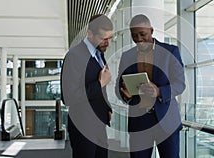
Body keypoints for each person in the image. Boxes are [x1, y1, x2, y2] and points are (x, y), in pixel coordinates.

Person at [116, 14, 185, 158]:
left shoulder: (171, 52)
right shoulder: (127, 56)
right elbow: (118, 87)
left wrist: (159, 91)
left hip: (167, 122)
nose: (139, 39)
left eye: (143, 34)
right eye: (134, 36)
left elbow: (180, 84)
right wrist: (125, 95)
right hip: (139, 122)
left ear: (151, 30)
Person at [61, 14, 113, 158]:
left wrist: (106, 107)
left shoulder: (99, 54)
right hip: (82, 126)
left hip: (99, 124)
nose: (108, 43)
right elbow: (68, 97)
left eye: (110, 38)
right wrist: (100, 83)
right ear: (90, 34)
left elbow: (101, 92)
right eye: (103, 38)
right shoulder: (74, 56)